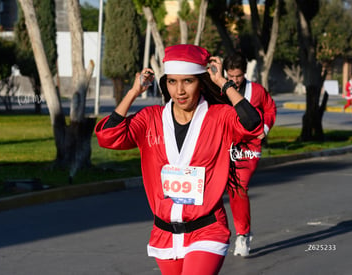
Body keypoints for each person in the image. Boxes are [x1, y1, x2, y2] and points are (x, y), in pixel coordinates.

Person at [95, 44, 263, 275]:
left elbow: (253, 123)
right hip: (165, 234)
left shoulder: (218, 117)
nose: (180, 91)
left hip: (207, 230)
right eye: (172, 81)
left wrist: (223, 83)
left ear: (201, 82)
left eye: (188, 81)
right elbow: (108, 136)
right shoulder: (151, 118)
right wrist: (134, 92)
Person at [222, 52, 277, 257]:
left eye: (239, 76)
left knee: (238, 187)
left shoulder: (257, 91)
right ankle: (216, 234)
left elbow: (270, 109)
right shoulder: (219, 89)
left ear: (244, 73)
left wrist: (265, 127)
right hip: (222, 144)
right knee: (213, 189)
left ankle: (242, 235)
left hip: (248, 148)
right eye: (231, 76)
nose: (235, 80)